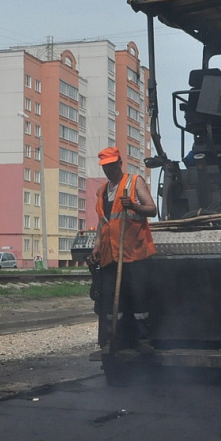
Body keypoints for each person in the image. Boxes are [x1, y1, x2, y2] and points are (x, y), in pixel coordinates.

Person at [89, 147, 157, 351]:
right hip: (111, 256)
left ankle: (143, 341)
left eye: (112, 165)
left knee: (138, 299)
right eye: (105, 167)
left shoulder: (134, 182)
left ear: (119, 163)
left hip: (134, 254)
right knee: (110, 301)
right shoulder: (102, 192)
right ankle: (114, 340)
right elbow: (104, 223)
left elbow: (152, 209)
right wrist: (97, 244)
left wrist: (134, 206)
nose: (109, 170)